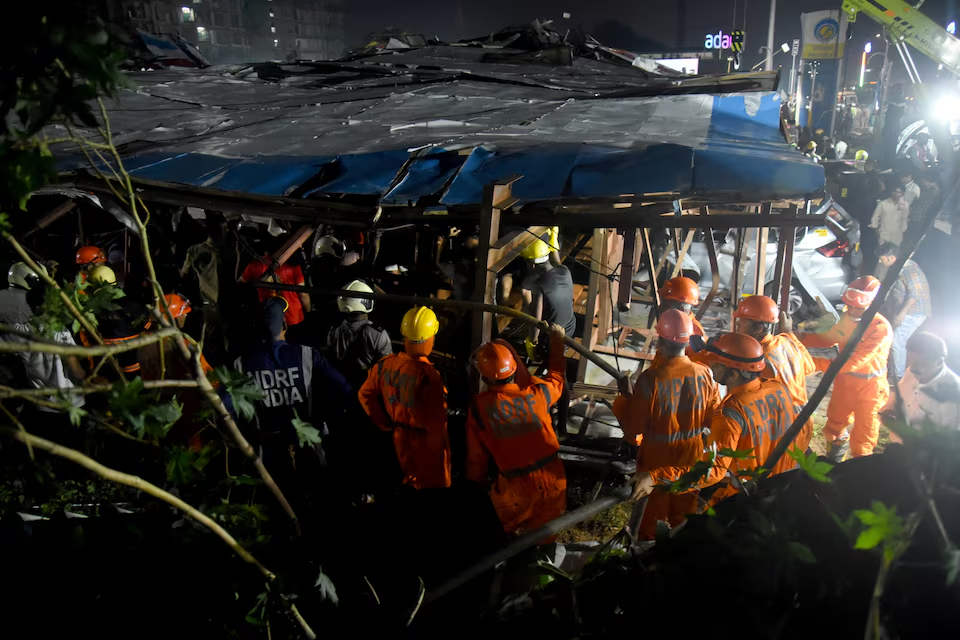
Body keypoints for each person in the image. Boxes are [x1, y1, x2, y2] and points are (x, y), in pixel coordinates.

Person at [629, 333, 795, 506]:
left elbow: (712, 471)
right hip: (786, 486)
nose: (710, 364)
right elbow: (802, 433)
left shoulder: (732, 413)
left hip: (750, 500)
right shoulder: (778, 389)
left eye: (716, 363)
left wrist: (655, 478)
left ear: (734, 374)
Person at [612, 310, 719, 539]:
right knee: (684, 520)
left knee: (650, 522)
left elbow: (633, 428)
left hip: (657, 460)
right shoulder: (705, 374)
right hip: (692, 456)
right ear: (688, 340)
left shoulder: (651, 379)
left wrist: (625, 397)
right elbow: (713, 418)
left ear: (660, 339)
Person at [234, 297, 351, 491]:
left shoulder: (241, 363)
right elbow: (343, 387)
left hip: (268, 449)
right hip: (306, 442)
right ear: (285, 323)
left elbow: (230, 407)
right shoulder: (307, 354)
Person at [466, 323, 568, 537]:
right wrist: (557, 343)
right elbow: (557, 379)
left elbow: (477, 457)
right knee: (549, 535)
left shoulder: (481, 408)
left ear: (484, 377)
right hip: (553, 478)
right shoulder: (538, 394)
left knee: (514, 541)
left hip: (516, 487)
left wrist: (476, 484)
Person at [800, 276, 892, 460]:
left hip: (870, 389)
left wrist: (810, 363)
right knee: (834, 427)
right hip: (845, 384)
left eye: (858, 307)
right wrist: (798, 337)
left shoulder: (879, 328)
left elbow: (852, 362)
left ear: (872, 304)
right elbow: (830, 337)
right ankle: (834, 464)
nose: (852, 310)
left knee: (863, 441)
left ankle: (859, 476)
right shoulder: (849, 317)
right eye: (850, 306)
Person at [359, 306, 451, 490]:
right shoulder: (429, 375)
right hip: (426, 444)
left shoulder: (384, 365)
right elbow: (437, 419)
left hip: (398, 437)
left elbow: (365, 394)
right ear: (430, 338)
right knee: (431, 490)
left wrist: (383, 423)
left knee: (403, 485)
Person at [732, 295, 818, 472]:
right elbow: (810, 367)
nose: (738, 326)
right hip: (803, 421)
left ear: (759, 328)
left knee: (775, 480)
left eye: (742, 322)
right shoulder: (786, 342)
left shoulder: (760, 360)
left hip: (784, 429)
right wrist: (790, 333)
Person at [882, 332, 960, 432]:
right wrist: (889, 408)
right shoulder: (912, 371)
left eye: (921, 363)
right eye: (910, 361)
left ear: (939, 362)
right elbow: (899, 394)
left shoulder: (954, 395)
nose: (913, 368)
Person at [876, 243, 931, 382]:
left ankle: (899, 377)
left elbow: (914, 295)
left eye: (882, 259)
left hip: (914, 313)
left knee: (897, 342)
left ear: (891, 258)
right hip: (906, 311)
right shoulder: (899, 267)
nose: (880, 262)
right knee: (893, 340)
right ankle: (893, 372)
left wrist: (902, 314)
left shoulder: (910, 271)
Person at [327, 279, 392, 389]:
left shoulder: (333, 330)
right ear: (367, 302)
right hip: (368, 388)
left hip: (342, 385)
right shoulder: (377, 334)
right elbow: (387, 370)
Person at [523, 229, 575, 359]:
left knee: (529, 307)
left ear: (532, 265)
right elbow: (556, 260)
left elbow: (536, 320)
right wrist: (553, 239)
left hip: (554, 337)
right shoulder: (564, 270)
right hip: (570, 328)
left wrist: (532, 342)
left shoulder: (539, 285)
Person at [180, 217, 227, 360]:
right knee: (226, 337)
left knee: (210, 337)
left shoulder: (193, 250)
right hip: (225, 303)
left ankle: (210, 361)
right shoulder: (226, 252)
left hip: (207, 302)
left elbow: (184, 274)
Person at [239, 252, 310, 328]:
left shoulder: (255, 264)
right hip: (294, 317)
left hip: (271, 319)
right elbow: (303, 295)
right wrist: (308, 311)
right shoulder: (292, 263)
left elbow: (240, 280)